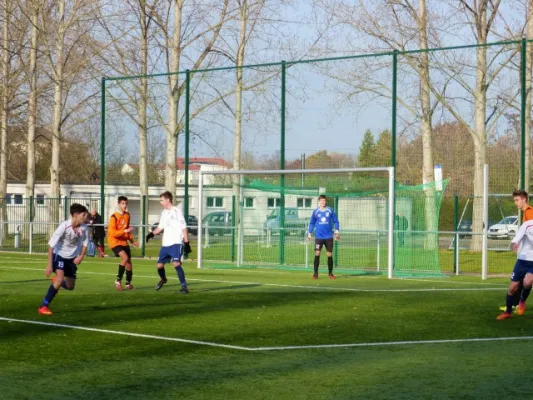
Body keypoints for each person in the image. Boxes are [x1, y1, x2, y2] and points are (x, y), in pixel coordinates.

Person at [37, 203, 89, 315]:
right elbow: (51, 245)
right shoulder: (64, 226)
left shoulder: (84, 227)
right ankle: (43, 306)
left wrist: (81, 256)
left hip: (72, 258)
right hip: (59, 255)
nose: (86, 217)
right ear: (75, 215)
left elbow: (85, 242)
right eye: (83, 215)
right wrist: (49, 265)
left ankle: (56, 282)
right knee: (60, 278)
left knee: (70, 286)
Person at [145, 191, 192, 294]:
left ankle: (184, 287)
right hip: (166, 244)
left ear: (168, 200)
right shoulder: (164, 213)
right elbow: (160, 227)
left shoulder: (177, 211)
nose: (160, 202)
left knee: (176, 263)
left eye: (162, 200)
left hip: (176, 243)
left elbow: (184, 228)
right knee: (159, 266)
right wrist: (151, 234)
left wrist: (186, 243)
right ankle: (163, 279)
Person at [499, 189, 533, 314]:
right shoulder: (525, 213)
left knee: (525, 281)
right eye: (514, 200)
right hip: (524, 254)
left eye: (517, 200)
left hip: (529, 256)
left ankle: (518, 304)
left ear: (524, 199)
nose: (515, 203)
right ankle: (514, 305)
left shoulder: (530, 213)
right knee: (519, 282)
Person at [107, 196, 139, 291]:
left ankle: (128, 284)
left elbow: (128, 231)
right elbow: (113, 233)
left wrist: (133, 241)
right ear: (118, 204)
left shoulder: (127, 215)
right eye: (122, 203)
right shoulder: (113, 217)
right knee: (124, 258)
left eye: (126, 204)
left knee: (128, 263)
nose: (124, 206)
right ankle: (118, 280)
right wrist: (125, 230)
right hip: (114, 242)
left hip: (123, 241)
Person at [306, 194, 340, 280]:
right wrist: (309, 235)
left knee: (329, 254)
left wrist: (336, 231)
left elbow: (336, 221)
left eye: (324, 201)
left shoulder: (330, 210)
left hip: (328, 237)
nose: (323, 202)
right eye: (321, 201)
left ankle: (330, 273)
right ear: (319, 202)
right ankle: (315, 273)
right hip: (319, 237)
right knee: (317, 253)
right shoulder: (315, 212)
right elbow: (312, 223)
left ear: (326, 201)